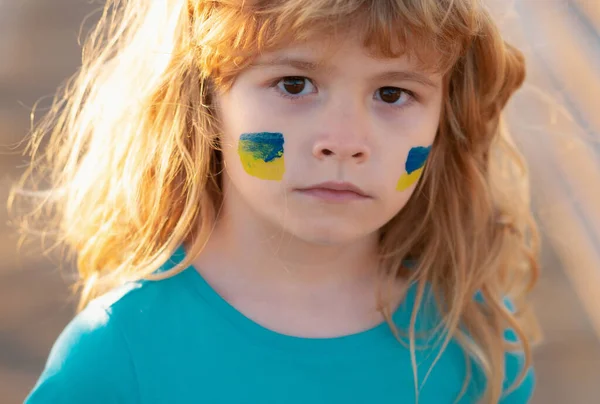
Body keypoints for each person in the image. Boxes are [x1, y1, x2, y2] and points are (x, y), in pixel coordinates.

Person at [13, 0, 541, 402]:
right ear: (204, 101)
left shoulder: (478, 344)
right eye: (294, 84)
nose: (345, 139)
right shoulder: (118, 355)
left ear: (444, 121)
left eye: (392, 94)